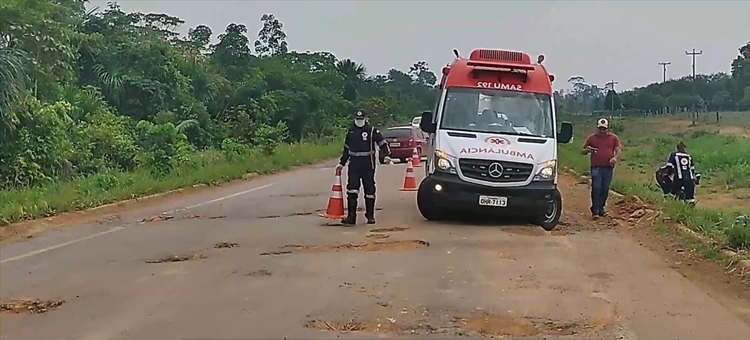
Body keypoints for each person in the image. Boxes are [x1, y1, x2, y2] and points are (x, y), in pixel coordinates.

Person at [336, 110, 392, 225]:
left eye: (361, 119)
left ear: (365, 119)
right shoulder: (351, 131)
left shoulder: (372, 131)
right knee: (352, 189)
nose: (359, 121)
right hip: (354, 164)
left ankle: (370, 215)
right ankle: (351, 216)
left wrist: (386, 155)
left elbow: (383, 144)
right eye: (357, 119)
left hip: (368, 164)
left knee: (369, 190)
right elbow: (346, 149)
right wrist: (342, 163)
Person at [581, 118, 621, 218]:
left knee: (605, 188)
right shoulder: (592, 138)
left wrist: (615, 158)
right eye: (600, 129)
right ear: (597, 128)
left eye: (604, 129)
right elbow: (583, 150)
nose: (602, 131)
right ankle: (595, 209)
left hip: (608, 167)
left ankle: (601, 208)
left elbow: (618, 149)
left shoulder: (613, 138)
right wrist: (588, 150)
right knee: (596, 187)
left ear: (607, 129)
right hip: (596, 167)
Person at [665, 141, 699, 206]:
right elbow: (692, 169)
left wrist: (668, 175)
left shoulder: (674, 155)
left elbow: (669, 167)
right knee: (690, 198)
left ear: (677, 148)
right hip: (689, 180)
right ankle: (691, 212)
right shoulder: (689, 156)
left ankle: (670, 207)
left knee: (672, 194)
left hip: (678, 179)